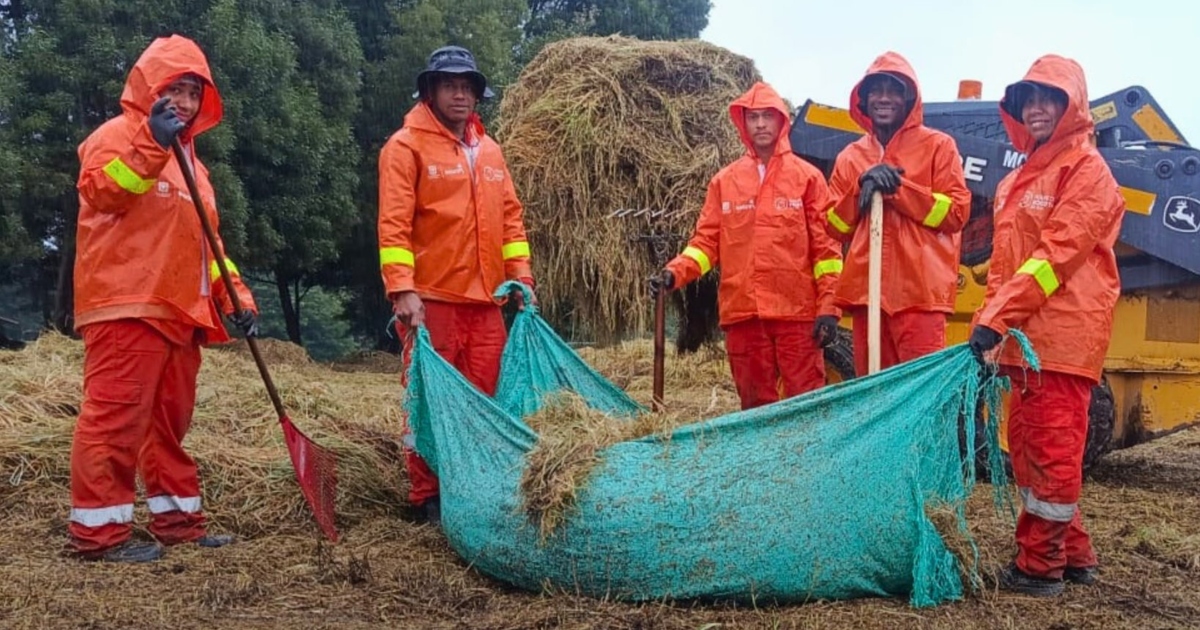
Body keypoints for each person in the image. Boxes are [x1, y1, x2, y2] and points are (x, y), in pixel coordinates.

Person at [70, 34, 259, 562]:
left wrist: (236, 297)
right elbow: (103, 192)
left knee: (168, 425)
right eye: (172, 88)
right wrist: (151, 141)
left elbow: (209, 243)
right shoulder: (115, 135)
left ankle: (179, 524)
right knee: (115, 420)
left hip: (180, 311)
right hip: (126, 303)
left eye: (192, 92)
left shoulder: (195, 167)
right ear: (148, 88)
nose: (183, 101)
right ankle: (99, 536)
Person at [968, 54, 1124, 597]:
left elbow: (1055, 256)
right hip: (1022, 340)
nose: (1035, 109)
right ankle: (1075, 553)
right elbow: (1005, 267)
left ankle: (1039, 566)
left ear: (1071, 104)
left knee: (1052, 454)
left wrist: (995, 320)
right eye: (1026, 100)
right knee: (1029, 450)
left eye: (1047, 98)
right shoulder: (1017, 180)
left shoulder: (1089, 171)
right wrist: (990, 329)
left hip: (1063, 339)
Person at [378, 45, 536, 526]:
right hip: (433, 302)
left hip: (488, 302)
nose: (460, 94)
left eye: (467, 86)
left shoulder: (490, 151)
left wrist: (521, 278)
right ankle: (428, 495)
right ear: (429, 91)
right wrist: (403, 289)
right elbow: (394, 226)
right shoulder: (405, 147)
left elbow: (511, 219)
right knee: (429, 399)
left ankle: (477, 485)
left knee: (487, 397)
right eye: (450, 85)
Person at [651, 81, 842, 410]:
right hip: (743, 314)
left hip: (797, 314)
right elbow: (706, 244)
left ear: (782, 121)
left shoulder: (807, 178)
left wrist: (829, 309)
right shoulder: (725, 181)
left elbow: (827, 252)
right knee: (754, 407)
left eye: (768, 116)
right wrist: (674, 274)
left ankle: (806, 462)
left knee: (806, 404)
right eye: (753, 117)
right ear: (743, 123)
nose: (761, 124)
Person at [824, 51, 972, 376]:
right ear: (863, 100)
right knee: (874, 397)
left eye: (893, 90)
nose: (884, 98)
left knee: (920, 397)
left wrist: (898, 189)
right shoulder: (851, 157)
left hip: (920, 295)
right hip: (869, 298)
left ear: (909, 98)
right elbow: (834, 225)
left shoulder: (938, 146)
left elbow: (957, 212)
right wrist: (859, 190)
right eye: (876, 91)